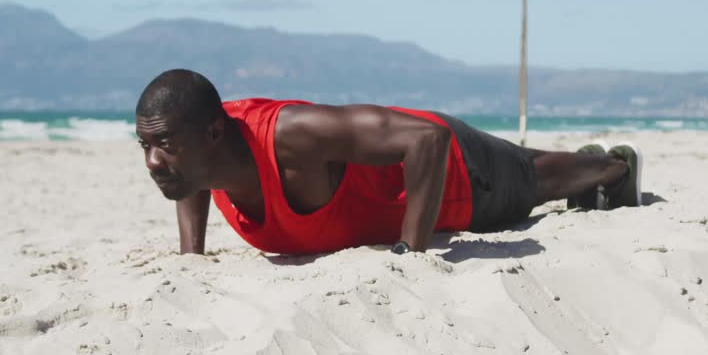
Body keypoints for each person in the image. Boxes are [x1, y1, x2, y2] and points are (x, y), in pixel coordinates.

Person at [134, 69, 644, 256]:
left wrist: (412, 248)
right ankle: (588, 170)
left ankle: (613, 170)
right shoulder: (203, 157)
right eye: (145, 147)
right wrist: (190, 252)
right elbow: (189, 178)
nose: (155, 162)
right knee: (535, 170)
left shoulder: (289, 137)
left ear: (214, 134)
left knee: (534, 179)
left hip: (457, 177)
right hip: (418, 172)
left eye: (166, 147)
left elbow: (425, 140)